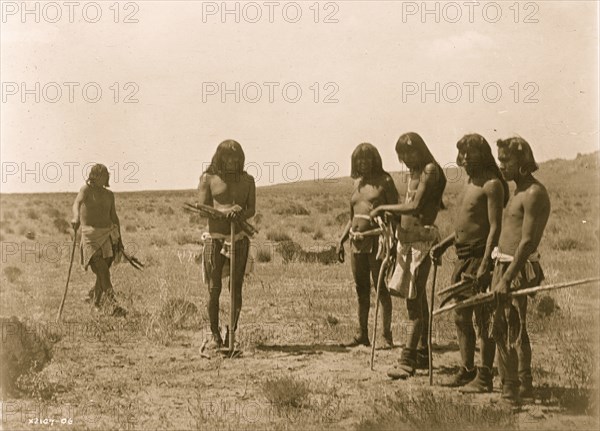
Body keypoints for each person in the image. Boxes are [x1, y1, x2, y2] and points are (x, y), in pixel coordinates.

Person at [430, 134, 508, 391]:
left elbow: (494, 228)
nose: (464, 158)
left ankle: (484, 377)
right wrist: (444, 244)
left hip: (479, 257)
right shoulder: (470, 183)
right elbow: (466, 226)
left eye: (470, 153)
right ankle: (467, 370)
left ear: (483, 154)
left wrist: (486, 263)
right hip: (463, 257)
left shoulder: (492, 185)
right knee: (460, 315)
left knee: (482, 316)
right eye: (461, 153)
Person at [371, 132, 446, 379]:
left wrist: (383, 207)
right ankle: (423, 353)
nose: (405, 159)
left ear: (420, 149)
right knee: (417, 298)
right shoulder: (415, 172)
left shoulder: (429, 170)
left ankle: (408, 361)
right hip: (407, 241)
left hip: (421, 242)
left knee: (414, 304)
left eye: (409, 153)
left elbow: (415, 207)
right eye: (401, 155)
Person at [491, 137, 550, 405]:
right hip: (505, 263)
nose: (501, 165)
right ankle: (523, 384)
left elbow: (527, 242)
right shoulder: (517, 190)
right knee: (511, 325)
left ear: (523, 162)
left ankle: (511, 389)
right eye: (500, 159)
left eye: (507, 160)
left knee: (507, 326)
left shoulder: (534, 193)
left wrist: (506, 277)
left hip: (517, 267)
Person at [337, 143, 399, 348]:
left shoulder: (385, 181)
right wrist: (341, 240)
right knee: (361, 289)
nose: (363, 162)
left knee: (380, 287)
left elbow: (396, 215)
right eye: (359, 159)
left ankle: (385, 336)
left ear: (375, 159)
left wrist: (393, 244)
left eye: (367, 158)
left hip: (377, 242)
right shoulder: (357, 184)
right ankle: (362, 334)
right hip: (356, 243)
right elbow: (352, 217)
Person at [198, 140, 256, 349]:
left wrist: (240, 211)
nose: (232, 161)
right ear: (219, 157)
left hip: (238, 238)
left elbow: (251, 210)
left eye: (236, 157)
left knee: (236, 288)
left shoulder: (248, 180)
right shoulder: (208, 178)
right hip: (214, 238)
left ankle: (231, 332)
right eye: (227, 157)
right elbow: (202, 208)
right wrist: (224, 212)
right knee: (214, 288)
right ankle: (215, 335)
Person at [71, 164, 123, 314]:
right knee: (102, 270)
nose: (106, 176)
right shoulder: (85, 190)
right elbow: (77, 203)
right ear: (94, 176)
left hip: (107, 235)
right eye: (102, 174)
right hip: (90, 236)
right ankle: (113, 304)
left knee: (103, 271)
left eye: (107, 174)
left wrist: (120, 239)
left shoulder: (109, 195)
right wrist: (75, 217)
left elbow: (114, 217)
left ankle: (96, 304)